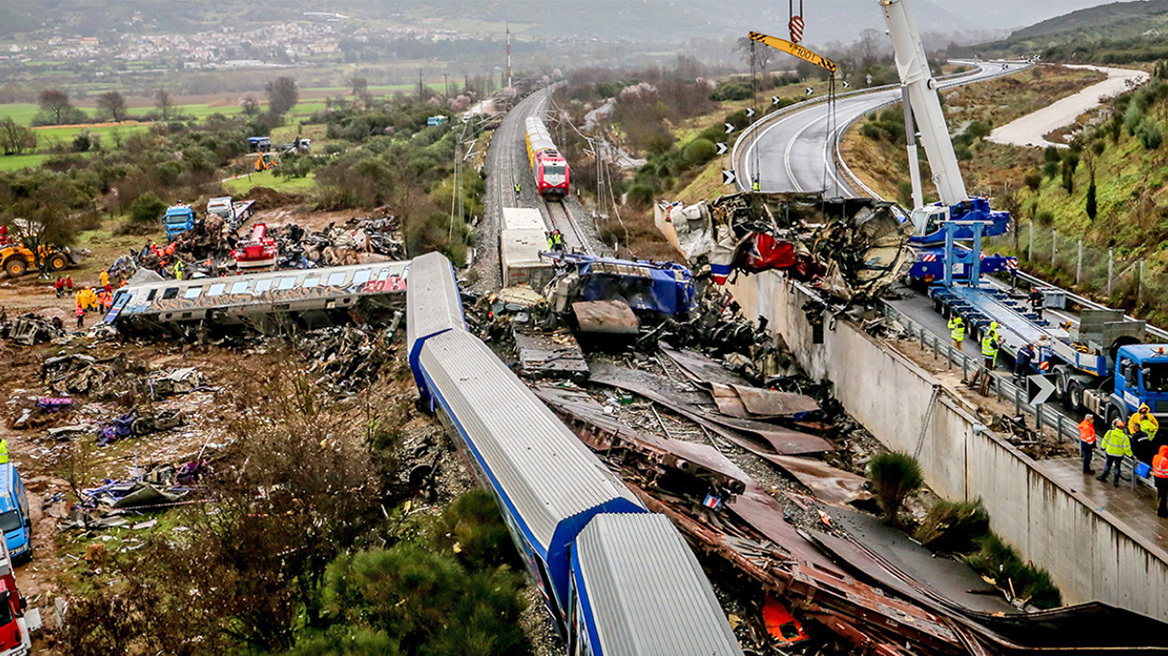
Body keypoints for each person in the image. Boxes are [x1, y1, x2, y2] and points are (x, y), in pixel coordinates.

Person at [1098, 419, 1133, 487]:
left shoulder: (1110, 432)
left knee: (1108, 465)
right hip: (1119, 455)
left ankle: (1103, 477)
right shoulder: (1125, 437)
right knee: (1117, 467)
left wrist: (1102, 447)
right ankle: (1116, 482)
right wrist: (1131, 455)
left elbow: (1105, 440)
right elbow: (1127, 448)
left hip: (1110, 452)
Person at [1153, 445, 1168, 517]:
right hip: (1163, 479)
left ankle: (1160, 509)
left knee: (1160, 494)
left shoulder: (1156, 457)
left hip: (1156, 477)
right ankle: (1162, 511)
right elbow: (1166, 472)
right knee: (1164, 496)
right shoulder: (1165, 460)